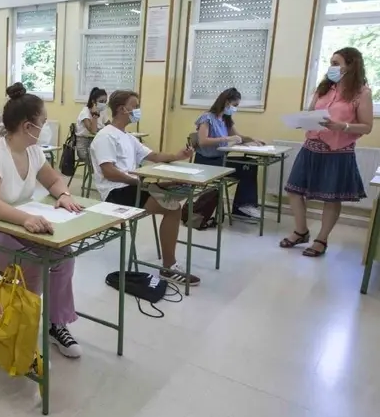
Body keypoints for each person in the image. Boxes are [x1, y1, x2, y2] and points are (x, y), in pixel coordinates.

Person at [0, 82, 86, 358]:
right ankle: (19, 332)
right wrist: (26, 218)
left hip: (10, 226)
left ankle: (54, 324)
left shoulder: (33, 151)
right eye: (43, 122)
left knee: (64, 256)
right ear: (27, 126)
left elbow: (52, 179)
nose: (46, 127)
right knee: (32, 263)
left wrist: (63, 195)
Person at [91, 90, 199, 286]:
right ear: (123, 109)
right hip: (116, 193)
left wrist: (178, 155)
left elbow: (155, 156)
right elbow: (109, 172)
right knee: (173, 208)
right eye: (135, 106)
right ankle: (169, 266)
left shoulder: (128, 137)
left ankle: (169, 262)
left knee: (174, 194)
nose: (138, 110)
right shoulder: (105, 137)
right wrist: (142, 182)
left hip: (132, 186)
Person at [281, 47, 373, 257]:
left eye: (336, 63)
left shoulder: (362, 93)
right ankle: (301, 230)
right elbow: (311, 112)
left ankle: (321, 239)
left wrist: (343, 126)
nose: (331, 67)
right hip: (311, 146)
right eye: (330, 62)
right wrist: (302, 120)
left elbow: (367, 126)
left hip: (338, 152)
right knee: (294, 190)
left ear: (351, 66)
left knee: (331, 198)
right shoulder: (323, 89)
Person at [194, 87, 263, 219]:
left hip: (221, 160)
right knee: (245, 167)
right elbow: (202, 141)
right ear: (226, 102)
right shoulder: (207, 118)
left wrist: (253, 140)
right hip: (208, 162)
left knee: (250, 163)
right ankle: (242, 206)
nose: (235, 109)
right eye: (235, 105)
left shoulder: (226, 120)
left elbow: (238, 137)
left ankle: (243, 206)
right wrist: (226, 139)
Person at [75, 86, 107, 161]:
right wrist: (95, 115)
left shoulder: (102, 111)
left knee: (110, 155)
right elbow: (93, 131)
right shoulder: (85, 112)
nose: (103, 104)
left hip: (96, 143)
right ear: (93, 101)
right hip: (84, 146)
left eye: (105, 102)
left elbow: (110, 125)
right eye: (101, 101)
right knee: (102, 158)